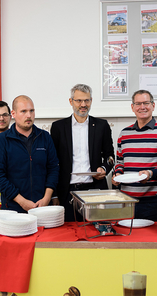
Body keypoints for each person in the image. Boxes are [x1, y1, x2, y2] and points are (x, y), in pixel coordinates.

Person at [51, 84, 115, 221]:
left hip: (95, 191)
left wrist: (104, 168)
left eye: (87, 100)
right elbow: (52, 162)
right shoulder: (58, 127)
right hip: (67, 192)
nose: (83, 104)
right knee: (68, 235)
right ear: (71, 101)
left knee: (97, 233)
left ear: (91, 101)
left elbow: (110, 156)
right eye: (79, 100)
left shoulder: (102, 126)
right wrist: (54, 194)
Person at [112, 90, 157, 221]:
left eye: (146, 103)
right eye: (138, 103)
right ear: (132, 107)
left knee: (153, 241)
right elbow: (120, 163)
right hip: (127, 201)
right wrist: (117, 174)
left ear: (153, 105)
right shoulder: (124, 134)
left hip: (154, 202)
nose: (142, 107)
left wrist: (149, 174)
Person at [0, 95, 59, 213]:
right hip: (13, 209)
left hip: (42, 207)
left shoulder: (45, 137)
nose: (29, 115)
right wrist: (21, 201)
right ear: (13, 113)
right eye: (23, 111)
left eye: (31, 111)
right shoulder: (2, 140)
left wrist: (47, 198)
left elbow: (53, 169)